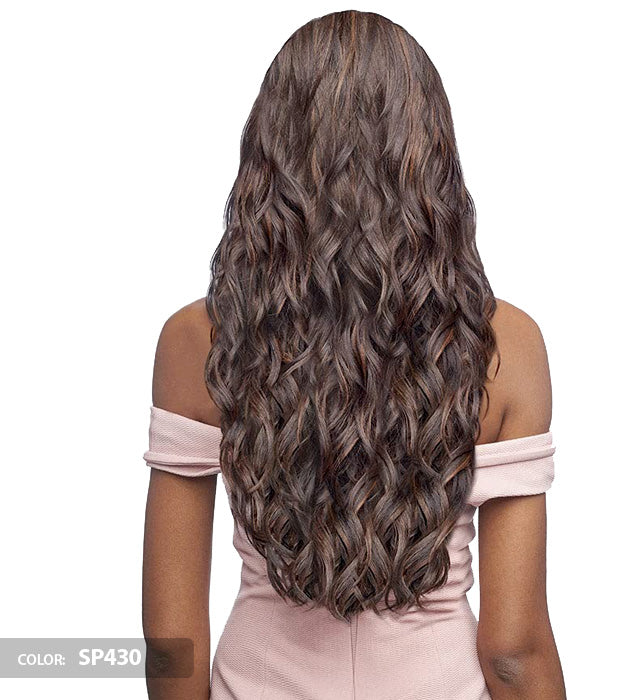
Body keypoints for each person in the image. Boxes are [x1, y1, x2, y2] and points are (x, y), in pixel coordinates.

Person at [141, 10, 566, 700]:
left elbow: (170, 637)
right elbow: (514, 649)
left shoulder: (198, 340)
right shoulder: (504, 345)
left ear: (268, 158)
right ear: (431, 158)